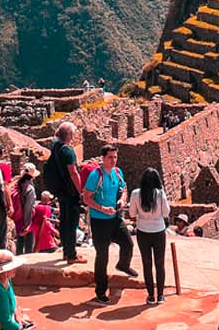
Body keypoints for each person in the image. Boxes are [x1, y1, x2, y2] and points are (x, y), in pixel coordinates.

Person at [84, 145, 134, 304]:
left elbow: (124, 189)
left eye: (115, 157)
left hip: (115, 218)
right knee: (102, 255)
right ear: (103, 158)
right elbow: (86, 198)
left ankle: (123, 265)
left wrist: (122, 200)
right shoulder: (95, 176)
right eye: (110, 157)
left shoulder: (118, 172)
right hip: (99, 221)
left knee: (128, 243)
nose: (113, 160)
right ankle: (101, 290)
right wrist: (102, 208)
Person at [42, 122, 87, 263]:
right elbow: (73, 173)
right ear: (69, 135)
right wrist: (81, 191)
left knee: (64, 222)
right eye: (73, 133)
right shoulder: (68, 151)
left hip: (60, 191)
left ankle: (67, 252)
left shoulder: (55, 147)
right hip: (70, 191)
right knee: (72, 223)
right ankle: (72, 255)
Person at [129, 167, 171, 303]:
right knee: (160, 263)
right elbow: (166, 213)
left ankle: (150, 295)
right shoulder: (160, 194)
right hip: (158, 231)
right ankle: (160, 295)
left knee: (147, 264)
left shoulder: (136, 194)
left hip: (143, 231)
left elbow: (131, 214)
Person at [11, 162, 41, 254]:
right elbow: (28, 207)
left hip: (18, 218)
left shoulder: (18, 184)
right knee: (28, 245)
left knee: (19, 242)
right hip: (26, 219)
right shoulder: (30, 189)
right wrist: (28, 223)